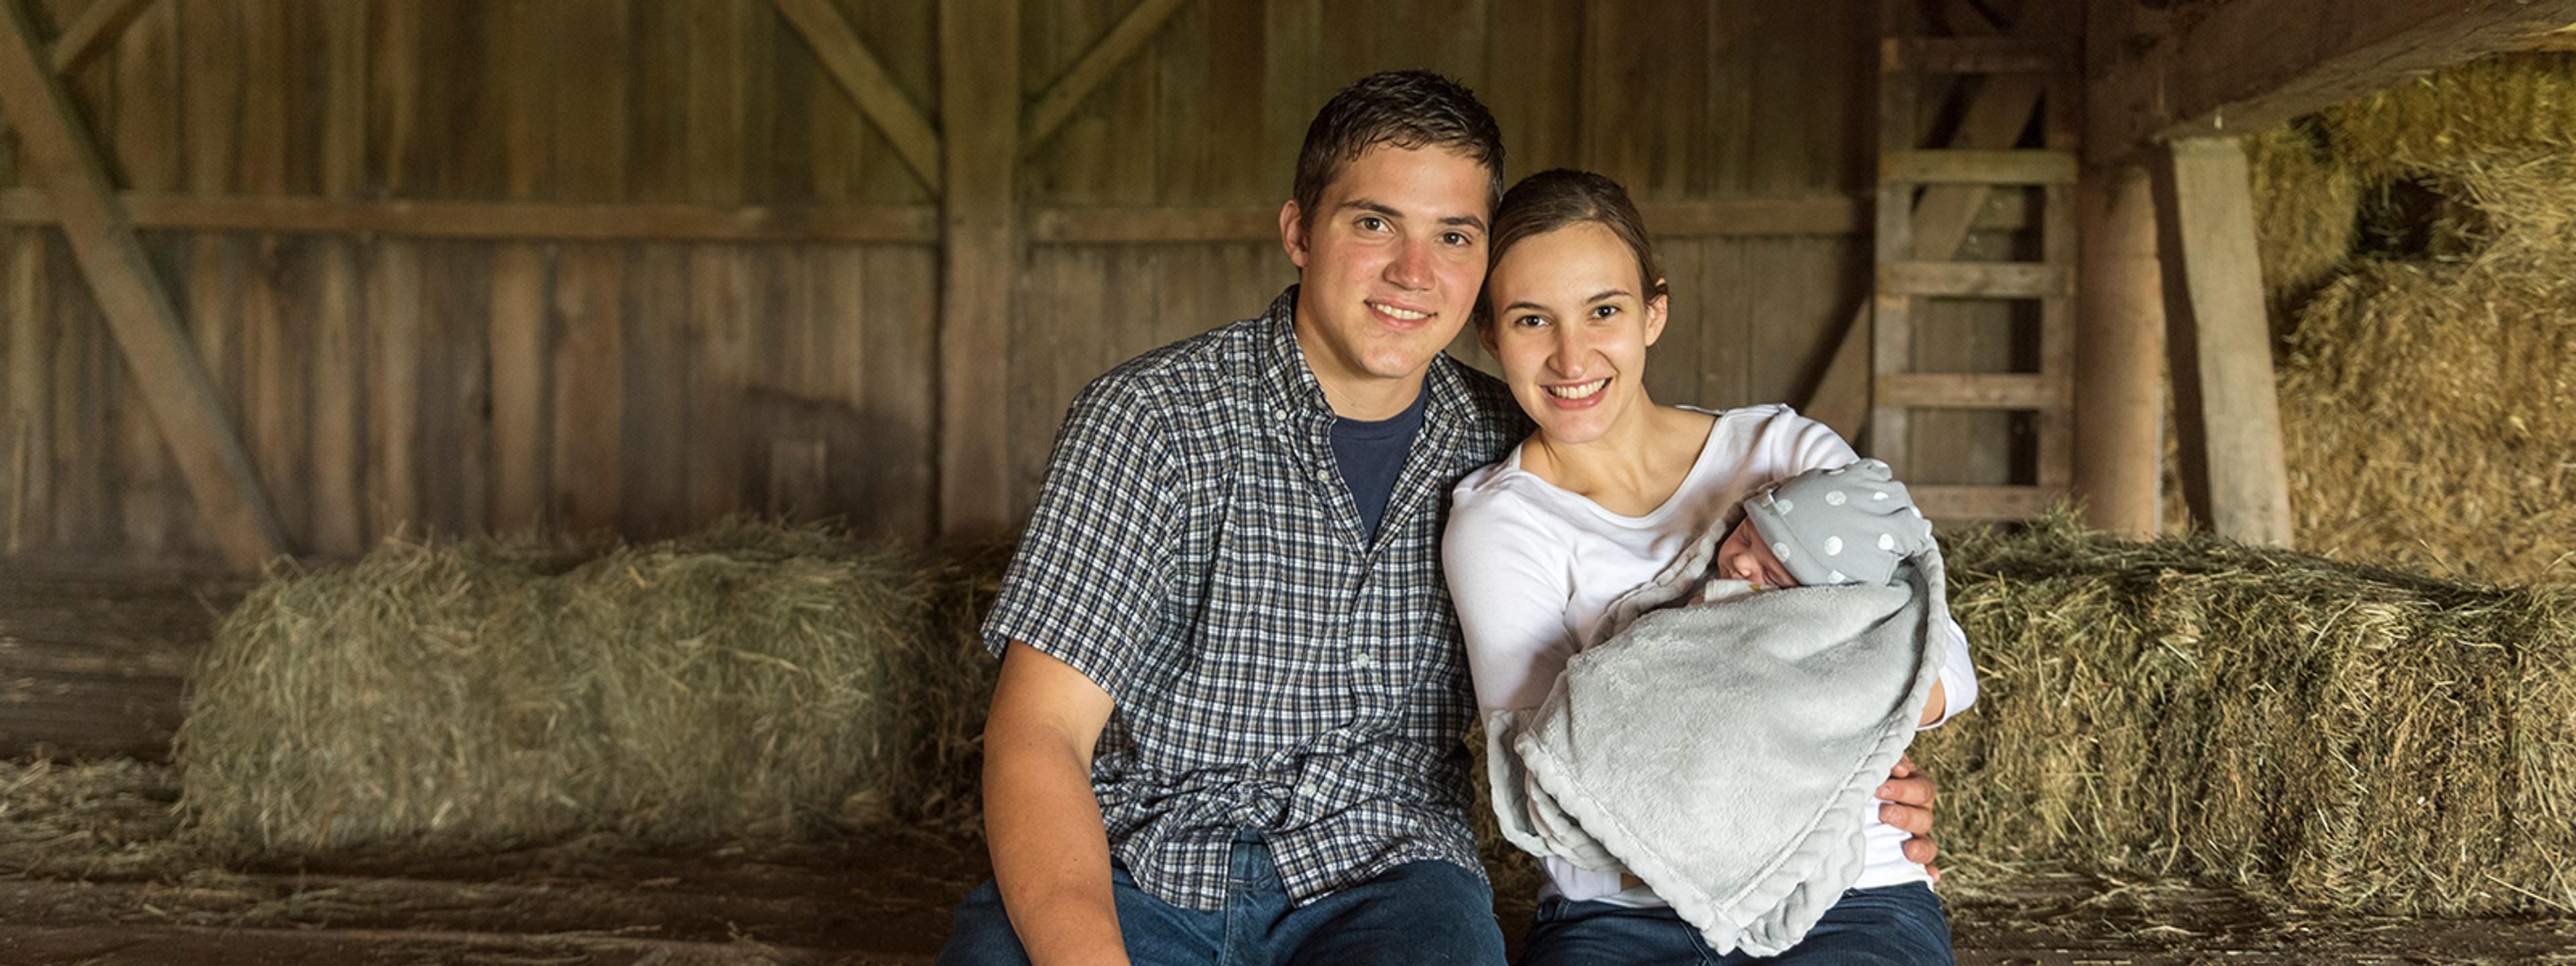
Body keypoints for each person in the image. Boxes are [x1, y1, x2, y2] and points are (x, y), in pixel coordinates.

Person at [939, 73, 1942, 965]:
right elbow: (1037, 735)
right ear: (1299, 231)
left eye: (1454, 238)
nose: (1414, 273)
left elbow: (1833, 628)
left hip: (1381, 877)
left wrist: (1837, 777)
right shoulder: (1155, 419)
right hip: (1143, 863)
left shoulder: (1515, 434)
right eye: (1374, 224)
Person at [1444, 169, 1970, 965]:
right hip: (1621, 910)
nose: (1571, 355)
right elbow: (1553, 779)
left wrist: (1746, 738)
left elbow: (1944, 668)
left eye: (1605, 311)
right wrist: (1825, 733)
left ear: (1655, 310)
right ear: (1490, 334)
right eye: (1530, 320)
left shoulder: (1784, 452)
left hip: (1844, 888)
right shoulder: (1500, 523)